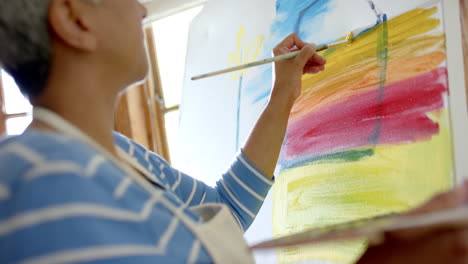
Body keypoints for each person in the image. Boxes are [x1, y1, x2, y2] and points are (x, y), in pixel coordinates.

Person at [0, 0, 466, 263]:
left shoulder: (119, 154)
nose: (141, 9)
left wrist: (284, 92)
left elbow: (225, 211)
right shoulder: (35, 183)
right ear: (74, 18)